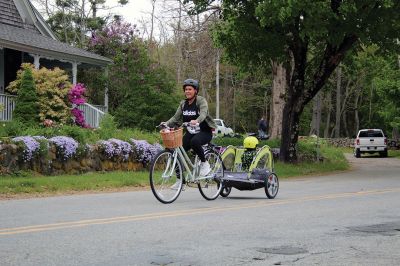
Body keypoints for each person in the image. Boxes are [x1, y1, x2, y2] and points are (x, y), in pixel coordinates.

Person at [163, 79, 217, 186]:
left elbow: (203, 114)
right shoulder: (183, 104)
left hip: (205, 132)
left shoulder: (201, 101)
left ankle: (204, 164)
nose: (187, 91)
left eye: (190, 89)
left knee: (195, 141)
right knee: (175, 150)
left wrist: (197, 121)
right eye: (186, 89)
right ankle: (180, 181)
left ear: (195, 91)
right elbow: (175, 118)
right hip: (190, 132)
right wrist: (166, 124)